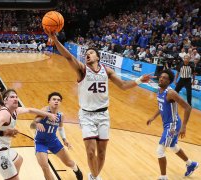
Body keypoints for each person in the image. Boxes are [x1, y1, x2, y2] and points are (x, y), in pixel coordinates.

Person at [44, 29, 154, 180]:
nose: (87, 54)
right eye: (86, 53)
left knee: (101, 153)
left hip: (103, 115)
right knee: (90, 151)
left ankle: (94, 176)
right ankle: (94, 177)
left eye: (91, 52)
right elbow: (69, 57)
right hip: (87, 115)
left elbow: (122, 85)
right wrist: (55, 40)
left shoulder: (106, 71)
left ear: (98, 57)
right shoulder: (82, 70)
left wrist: (140, 80)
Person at [0, 89, 57, 180]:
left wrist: (48, 114)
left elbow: (30, 110)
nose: (15, 99)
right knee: (15, 176)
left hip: (4, 147)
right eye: (12, 97)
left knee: (18, 160)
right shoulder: (4, 113)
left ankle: (11, 177)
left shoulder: (15, 111)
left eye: (16, 97)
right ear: (5, 100)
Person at [147, 69, 198, 180]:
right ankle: (191, 164)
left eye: (165, 78)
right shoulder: (159, 90)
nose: (161, 78)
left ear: (169, 81)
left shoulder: (171, 93)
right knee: (172, 146)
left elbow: (188, 107)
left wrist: (184, 126)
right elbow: (161, 106)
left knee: (160, 151)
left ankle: (163, 177)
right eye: (161, 77)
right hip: (167, 124)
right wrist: (153, 117)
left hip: (173, 125)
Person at [30, 92, 83, 180]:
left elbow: (61, 128)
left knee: (69, 163)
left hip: (53, 141)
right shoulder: (44, 111)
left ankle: (76, 170)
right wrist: (37, 124)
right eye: (54, 99)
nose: (56, 101)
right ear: (49, 101)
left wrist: (64, 139)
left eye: (58, 100)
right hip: (40, 142)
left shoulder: (60, 115)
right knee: (45, 167)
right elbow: (32, 125)